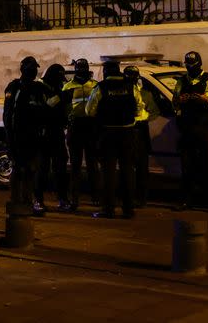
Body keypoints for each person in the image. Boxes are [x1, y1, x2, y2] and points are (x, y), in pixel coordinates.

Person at [86, 60, 142, 219]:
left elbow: (90, 111)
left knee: (108, 173)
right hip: (127, 133)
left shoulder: (100, 87)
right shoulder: (131, 86)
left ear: (105, 72)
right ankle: (128, 209)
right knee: (127, 171)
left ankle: (108, 209)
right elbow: (139, 108)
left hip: (107, 134)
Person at [173, 51, 208, 215]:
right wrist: (179, 101)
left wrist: (207, 100)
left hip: (205, 130)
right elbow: (174, 103)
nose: (190, 68)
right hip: (187, 129)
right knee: (187, 167)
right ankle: (186, 200)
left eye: (193, 65)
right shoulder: (181, 81)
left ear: (200, 64)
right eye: (188, 65)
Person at [3, 56, 49, 216]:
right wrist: (10, 140)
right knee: (18, 169)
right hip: (18, 138)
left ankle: (27, 203)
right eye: (31, 69)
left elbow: (46, 110)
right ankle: (16, 203)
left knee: (30, 170)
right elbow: (8, 117)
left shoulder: (39, 89)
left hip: (34, 139)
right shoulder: (14, 87)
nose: (34, 72)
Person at [63, 58, 99, 210]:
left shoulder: (95, 85)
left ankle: (96, 197)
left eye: (83, 68)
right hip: (76, 127)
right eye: (79, 68)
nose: (81, 71)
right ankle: (74, 199)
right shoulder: (68, 86)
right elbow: (63, 107)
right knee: (75, 166)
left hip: (91, 127)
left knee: (92, 166)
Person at [35, 63, 71, 212]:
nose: (61, 82)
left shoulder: (57, 88)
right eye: (59, 78)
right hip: (44, 134)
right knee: (42, 169)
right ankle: (38, 199)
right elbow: (43, 109)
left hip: (57, 133)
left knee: (61, 168)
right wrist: (60, 98)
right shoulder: (39, 88)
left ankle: (62, 198)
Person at [124, 65, 158, 208]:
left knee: (140, 168)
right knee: (128, 168)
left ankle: (140, 198)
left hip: (138, 132)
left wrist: (142, 118)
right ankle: (129, 198)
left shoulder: (145, 94)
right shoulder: (121, 93)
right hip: (126, 132)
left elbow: (154, 112)